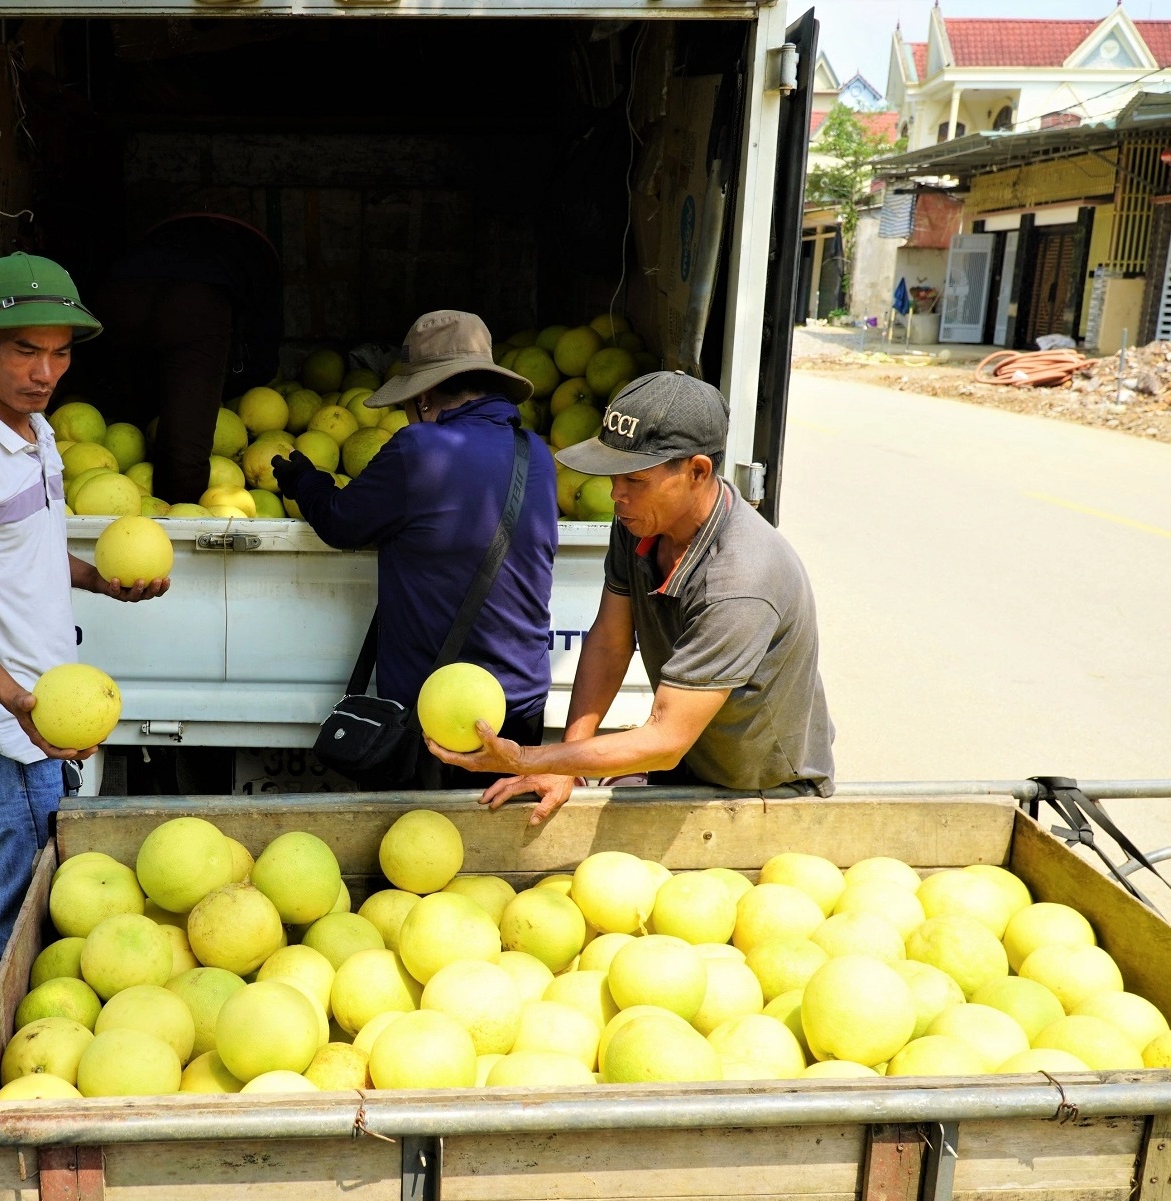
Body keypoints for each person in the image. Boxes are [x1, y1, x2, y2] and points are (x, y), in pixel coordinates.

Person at [0, 253, 169, 1038]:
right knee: (10, 917)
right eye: (25, 350)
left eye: (59, 352)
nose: (46, 370)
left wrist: (99, 580)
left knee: (38, 906)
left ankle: (21, 1051)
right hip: (3, 737)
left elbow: (26, 551)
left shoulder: (35, 434)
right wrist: (19, 700)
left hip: (44, 724)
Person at [427, 370, 834, 821]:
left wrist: (526, 759)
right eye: (614, 475)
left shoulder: (741, 581)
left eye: (635, 480)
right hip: (687, 771)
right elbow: (610, 641)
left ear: (697, 471)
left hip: (766, 793)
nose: (616, 494)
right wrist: (569, 760)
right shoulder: (640, 522)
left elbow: (663, 740)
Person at [272, 310, 558, 786]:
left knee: (421, 848)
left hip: (435, 712)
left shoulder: (419, 450)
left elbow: (342, 523)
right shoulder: (537, 453)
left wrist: (307, 483)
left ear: (424, 397)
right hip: (519, 705)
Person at [88, 214, 283, 504]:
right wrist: (220, 392)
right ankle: (169, 533)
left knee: (120, 418)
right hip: (193, 305)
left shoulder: (163, 239)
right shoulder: (254, 261)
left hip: (117, 294)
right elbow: (264, 359)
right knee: (184, 458)